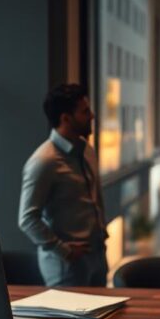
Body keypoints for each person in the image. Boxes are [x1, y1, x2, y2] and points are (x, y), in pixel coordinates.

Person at [18, 84, 108, 286]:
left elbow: (94, 199)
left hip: (97, 259)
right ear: (66, 118)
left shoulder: (87, 150)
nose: (92, 116)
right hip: (66, 268)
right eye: (85, 112)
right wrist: (64, 250)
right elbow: (27, 219)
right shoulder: (44, 161)